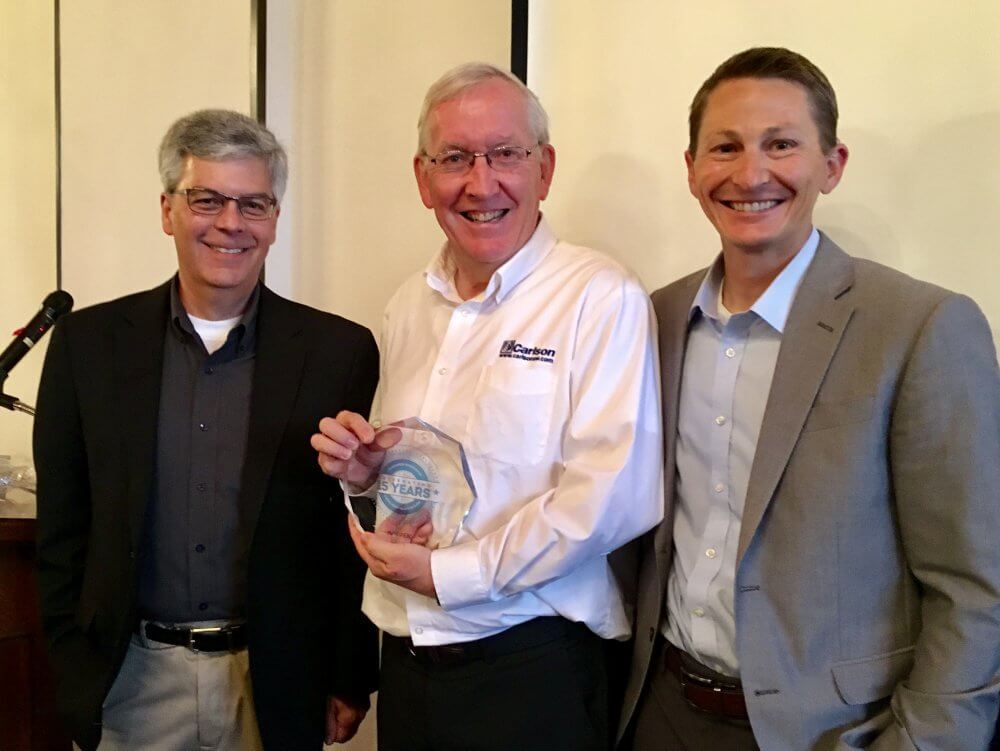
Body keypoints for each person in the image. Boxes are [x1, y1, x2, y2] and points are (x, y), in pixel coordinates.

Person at [620, 47, 1000, 750]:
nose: (750, 174)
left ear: (833, 163)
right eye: (725, 147)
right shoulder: (654, 318)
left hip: (836, 732)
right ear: (692, 169)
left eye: (781, 144)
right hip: (662, 712)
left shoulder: (920, 327)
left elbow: (975, 585)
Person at [311, 63, 663, 751]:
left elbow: (612, 498)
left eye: (505, 153)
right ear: (423, 179)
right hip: (409, 666)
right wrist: (366, 474)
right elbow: (422, 478)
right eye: (454, 159)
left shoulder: (600, 297)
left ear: (545, 169)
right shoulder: (408, 304)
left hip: (532, 673)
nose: (480, 183)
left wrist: (451, 575)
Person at [34, 109, 379, 750]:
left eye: (253, 204)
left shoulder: (339, 352)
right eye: (207, 199)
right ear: (167, 210)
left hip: (277, 681)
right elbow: (62, 529)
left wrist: (349, 675)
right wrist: (73, 667)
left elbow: (349, 531)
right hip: (130, 683)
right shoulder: (87, 346)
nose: (230, 222)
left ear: (274, 219)